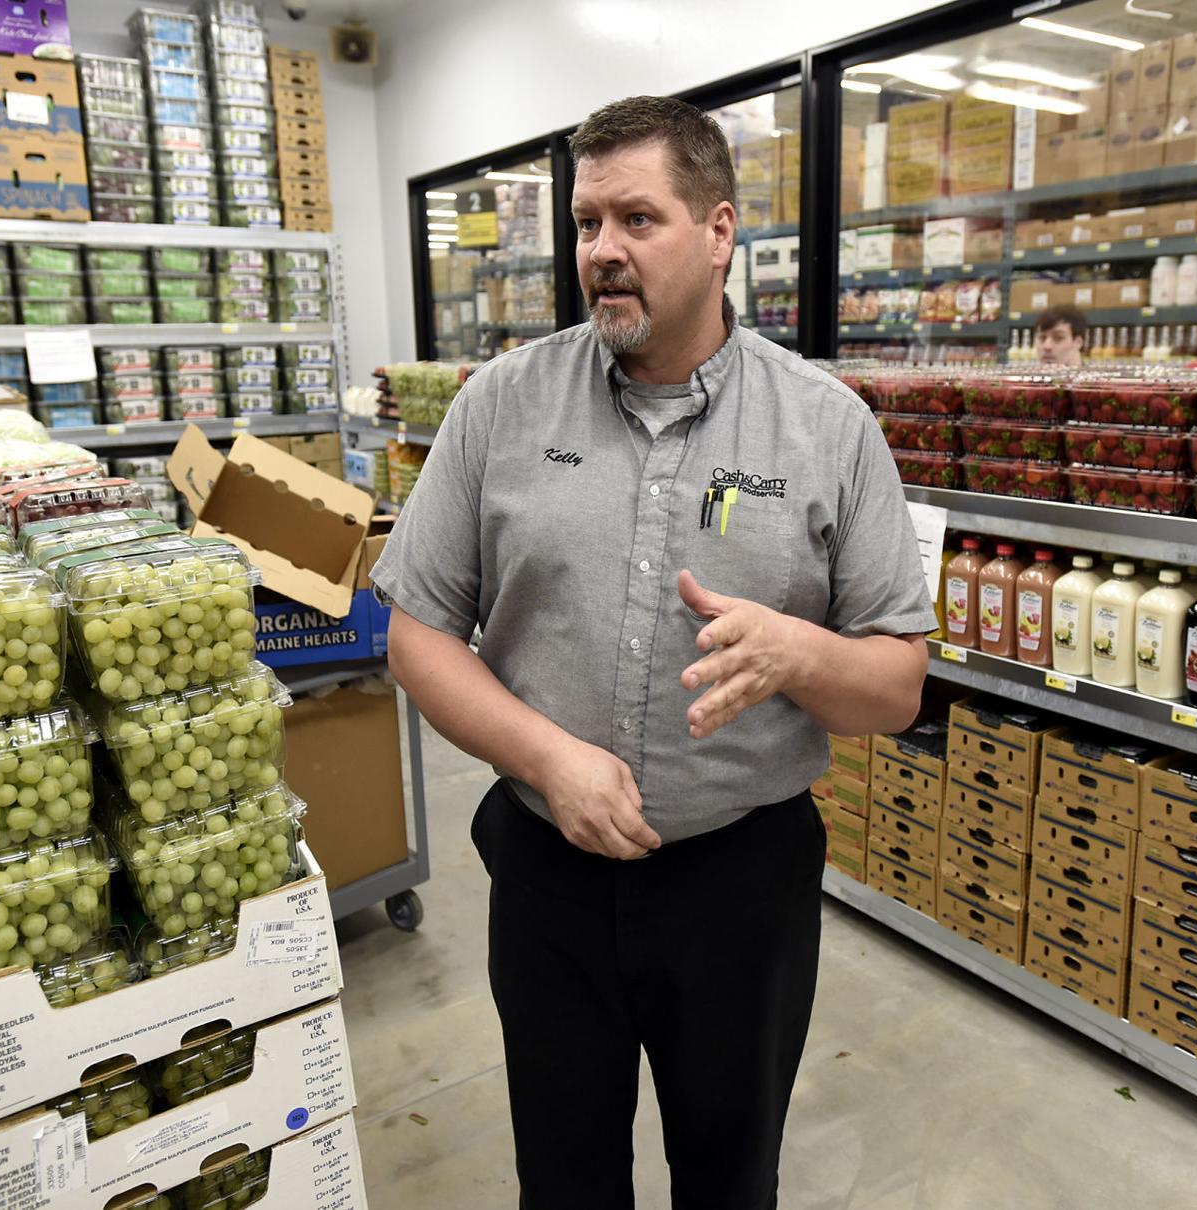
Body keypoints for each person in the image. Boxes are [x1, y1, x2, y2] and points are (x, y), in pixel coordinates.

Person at [372, 95, 934, 1210]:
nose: (601, 254)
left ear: (719, 230)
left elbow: (897, 687)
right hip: (546, 877)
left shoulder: (825, 428)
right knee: (564, 1179)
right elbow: (417, 632)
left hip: (739, 888)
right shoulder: (500, 405)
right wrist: (548, 759)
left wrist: (795, 655)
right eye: (586, 224)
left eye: (637, 219)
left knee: (728, 1182)